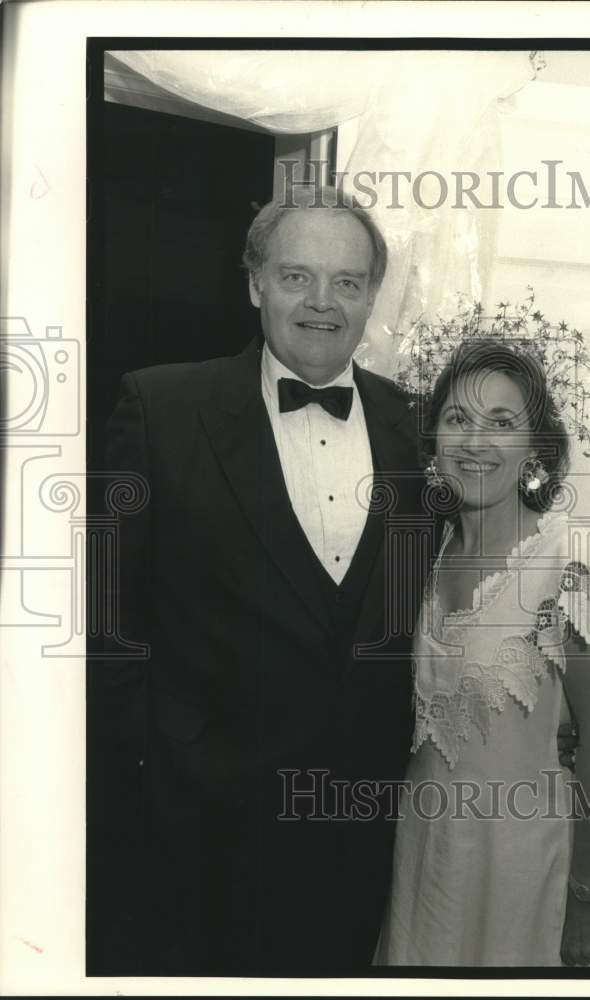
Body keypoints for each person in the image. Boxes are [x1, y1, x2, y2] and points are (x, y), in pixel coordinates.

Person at [90, 185, 433, 976]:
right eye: (296, 277)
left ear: (372, 295)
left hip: (360, 821)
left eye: (348, 282)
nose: (323, 302)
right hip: (198, 823)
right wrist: (145, 771)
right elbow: (108, 617)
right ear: (253, 284)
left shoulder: (413, 425)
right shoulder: (160, 405)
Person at [374, 340, 590, 967]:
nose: (475, 441)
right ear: (433, 435)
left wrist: (587, 895)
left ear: (535, 448)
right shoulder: (422, 549)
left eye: (502, 423)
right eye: (458, 418)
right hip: (423, 851)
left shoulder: (572, 563)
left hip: (521, 862)